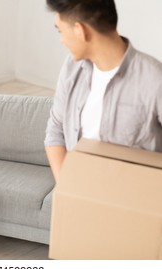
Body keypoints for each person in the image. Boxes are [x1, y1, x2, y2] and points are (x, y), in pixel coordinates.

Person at [44, 0, 162, 182]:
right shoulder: (71, 68)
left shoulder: (154, 79)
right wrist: (68, 190)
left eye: (60, 31)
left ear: (80, 30)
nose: (61, 40)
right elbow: (55, 131)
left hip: (133, 201)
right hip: (78, 192)